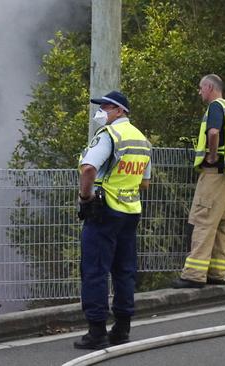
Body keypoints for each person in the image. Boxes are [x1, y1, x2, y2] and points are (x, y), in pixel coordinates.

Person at [74, 91, 152, 350]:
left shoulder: (109, 136)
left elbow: (88, 168)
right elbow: (145, 183)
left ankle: (96, 331)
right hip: (130, 212)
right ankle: (122, 328)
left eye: (107, 107)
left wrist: (86, 198)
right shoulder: (141, 140)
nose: (102, 112)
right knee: (124, 271)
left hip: (104, 211)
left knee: (95, 270)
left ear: (120, 111)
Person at [173, 74, 225, 289]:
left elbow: (213, 132)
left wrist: (211, 156)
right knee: (224, 225)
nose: (199, 92)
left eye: (200, 88)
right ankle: (218, 272)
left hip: (214, 175)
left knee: (203, 222)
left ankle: (194, 274)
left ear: (210, 87)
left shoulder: (215, 107)